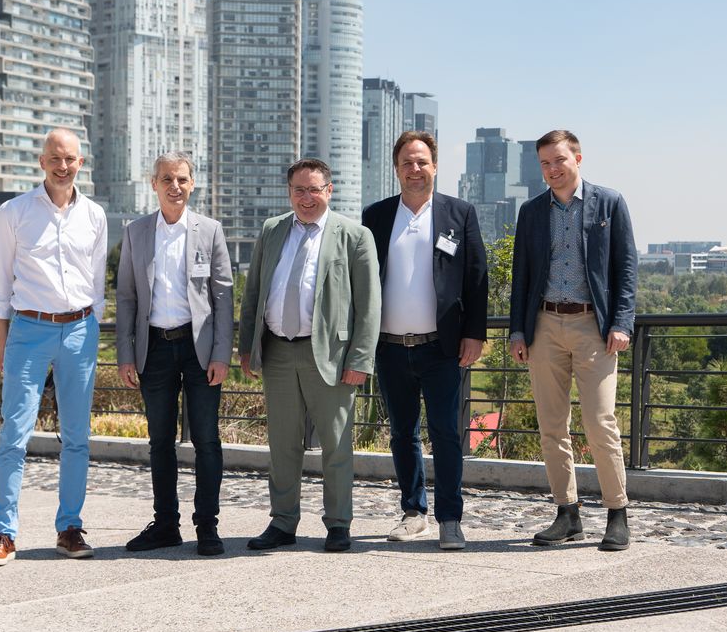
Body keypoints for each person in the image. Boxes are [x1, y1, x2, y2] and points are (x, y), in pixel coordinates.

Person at [0, 128, 108, 567]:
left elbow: (97, 284)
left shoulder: (94, 215)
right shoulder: (13, 211)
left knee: (77, 439)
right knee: (14, 436)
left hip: (80, 331)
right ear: (42, 162)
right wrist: (2, 338)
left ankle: (70, 527)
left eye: (70, 158)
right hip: (28, 330)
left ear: (81, 163)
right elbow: (1, 282)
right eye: (55, 158)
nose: (63, 165)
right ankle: (3, 533)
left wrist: (92, 328)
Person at [238, 158, 381, 553]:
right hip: (278, 353)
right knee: (282, 445)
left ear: (329, 191)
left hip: (332, 358)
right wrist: (247, 348)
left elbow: (369, 305)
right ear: (289, 192)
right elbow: (254, 294)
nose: (306, 197)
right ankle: (283, 523)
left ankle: (338, 524)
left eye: (314, 189)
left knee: (336, 446)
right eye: (299, 190)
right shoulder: (272, 231)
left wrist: (360, 360)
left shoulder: (354, 236)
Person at [507, 129, 637, 551]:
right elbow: (521, 275)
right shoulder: (531, 211)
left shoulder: (609, 203)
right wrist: (518, 330)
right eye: (544, 163)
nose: (552, 169)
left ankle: (617, 514)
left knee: (600, 422)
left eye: (559, 160)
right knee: (551, 426)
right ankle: (567, 514)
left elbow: (627, 268)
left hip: (593, 328)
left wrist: (622, 322)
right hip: (544, 325)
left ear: (578, 158)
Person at [362, 131, 488, 550]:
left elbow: (476, 280)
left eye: (421, 162)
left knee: (447, 434)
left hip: (442, 347)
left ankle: (450, 519)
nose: (414, 170)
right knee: (402, 433)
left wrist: (474, 334)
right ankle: (413, 512)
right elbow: (363, 283)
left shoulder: (459, 213)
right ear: (396, 169)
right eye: (406, 163)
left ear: (434, 165)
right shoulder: (376, 216)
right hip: (391, 346)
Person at [116, 153, 233, 556]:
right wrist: (126, 355)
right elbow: (127, 298)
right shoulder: (136, 232)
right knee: (160, 442)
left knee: (207, 441)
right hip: (154, 349)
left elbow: (222, 296)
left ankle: (207, 527)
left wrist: (222, 353)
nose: (175, 186)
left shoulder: (210, 230)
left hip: (199, 351)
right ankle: (166, 524)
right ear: (154, 184)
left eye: (182, 179)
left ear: (192, 183)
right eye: (167, 178)